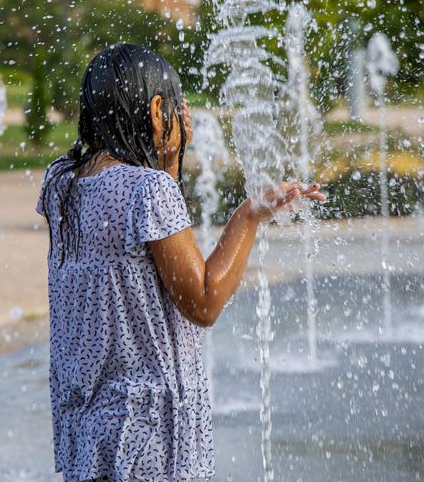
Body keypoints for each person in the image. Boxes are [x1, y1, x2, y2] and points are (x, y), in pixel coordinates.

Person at [36, 44, 326, 481]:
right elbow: (202, 301)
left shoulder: (60, 183)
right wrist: (248, 216)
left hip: (88, 426)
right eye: (171, 106)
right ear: (156, 111)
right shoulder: (147, 191)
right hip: (148, 435)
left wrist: (168, 159)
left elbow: (146, 255)